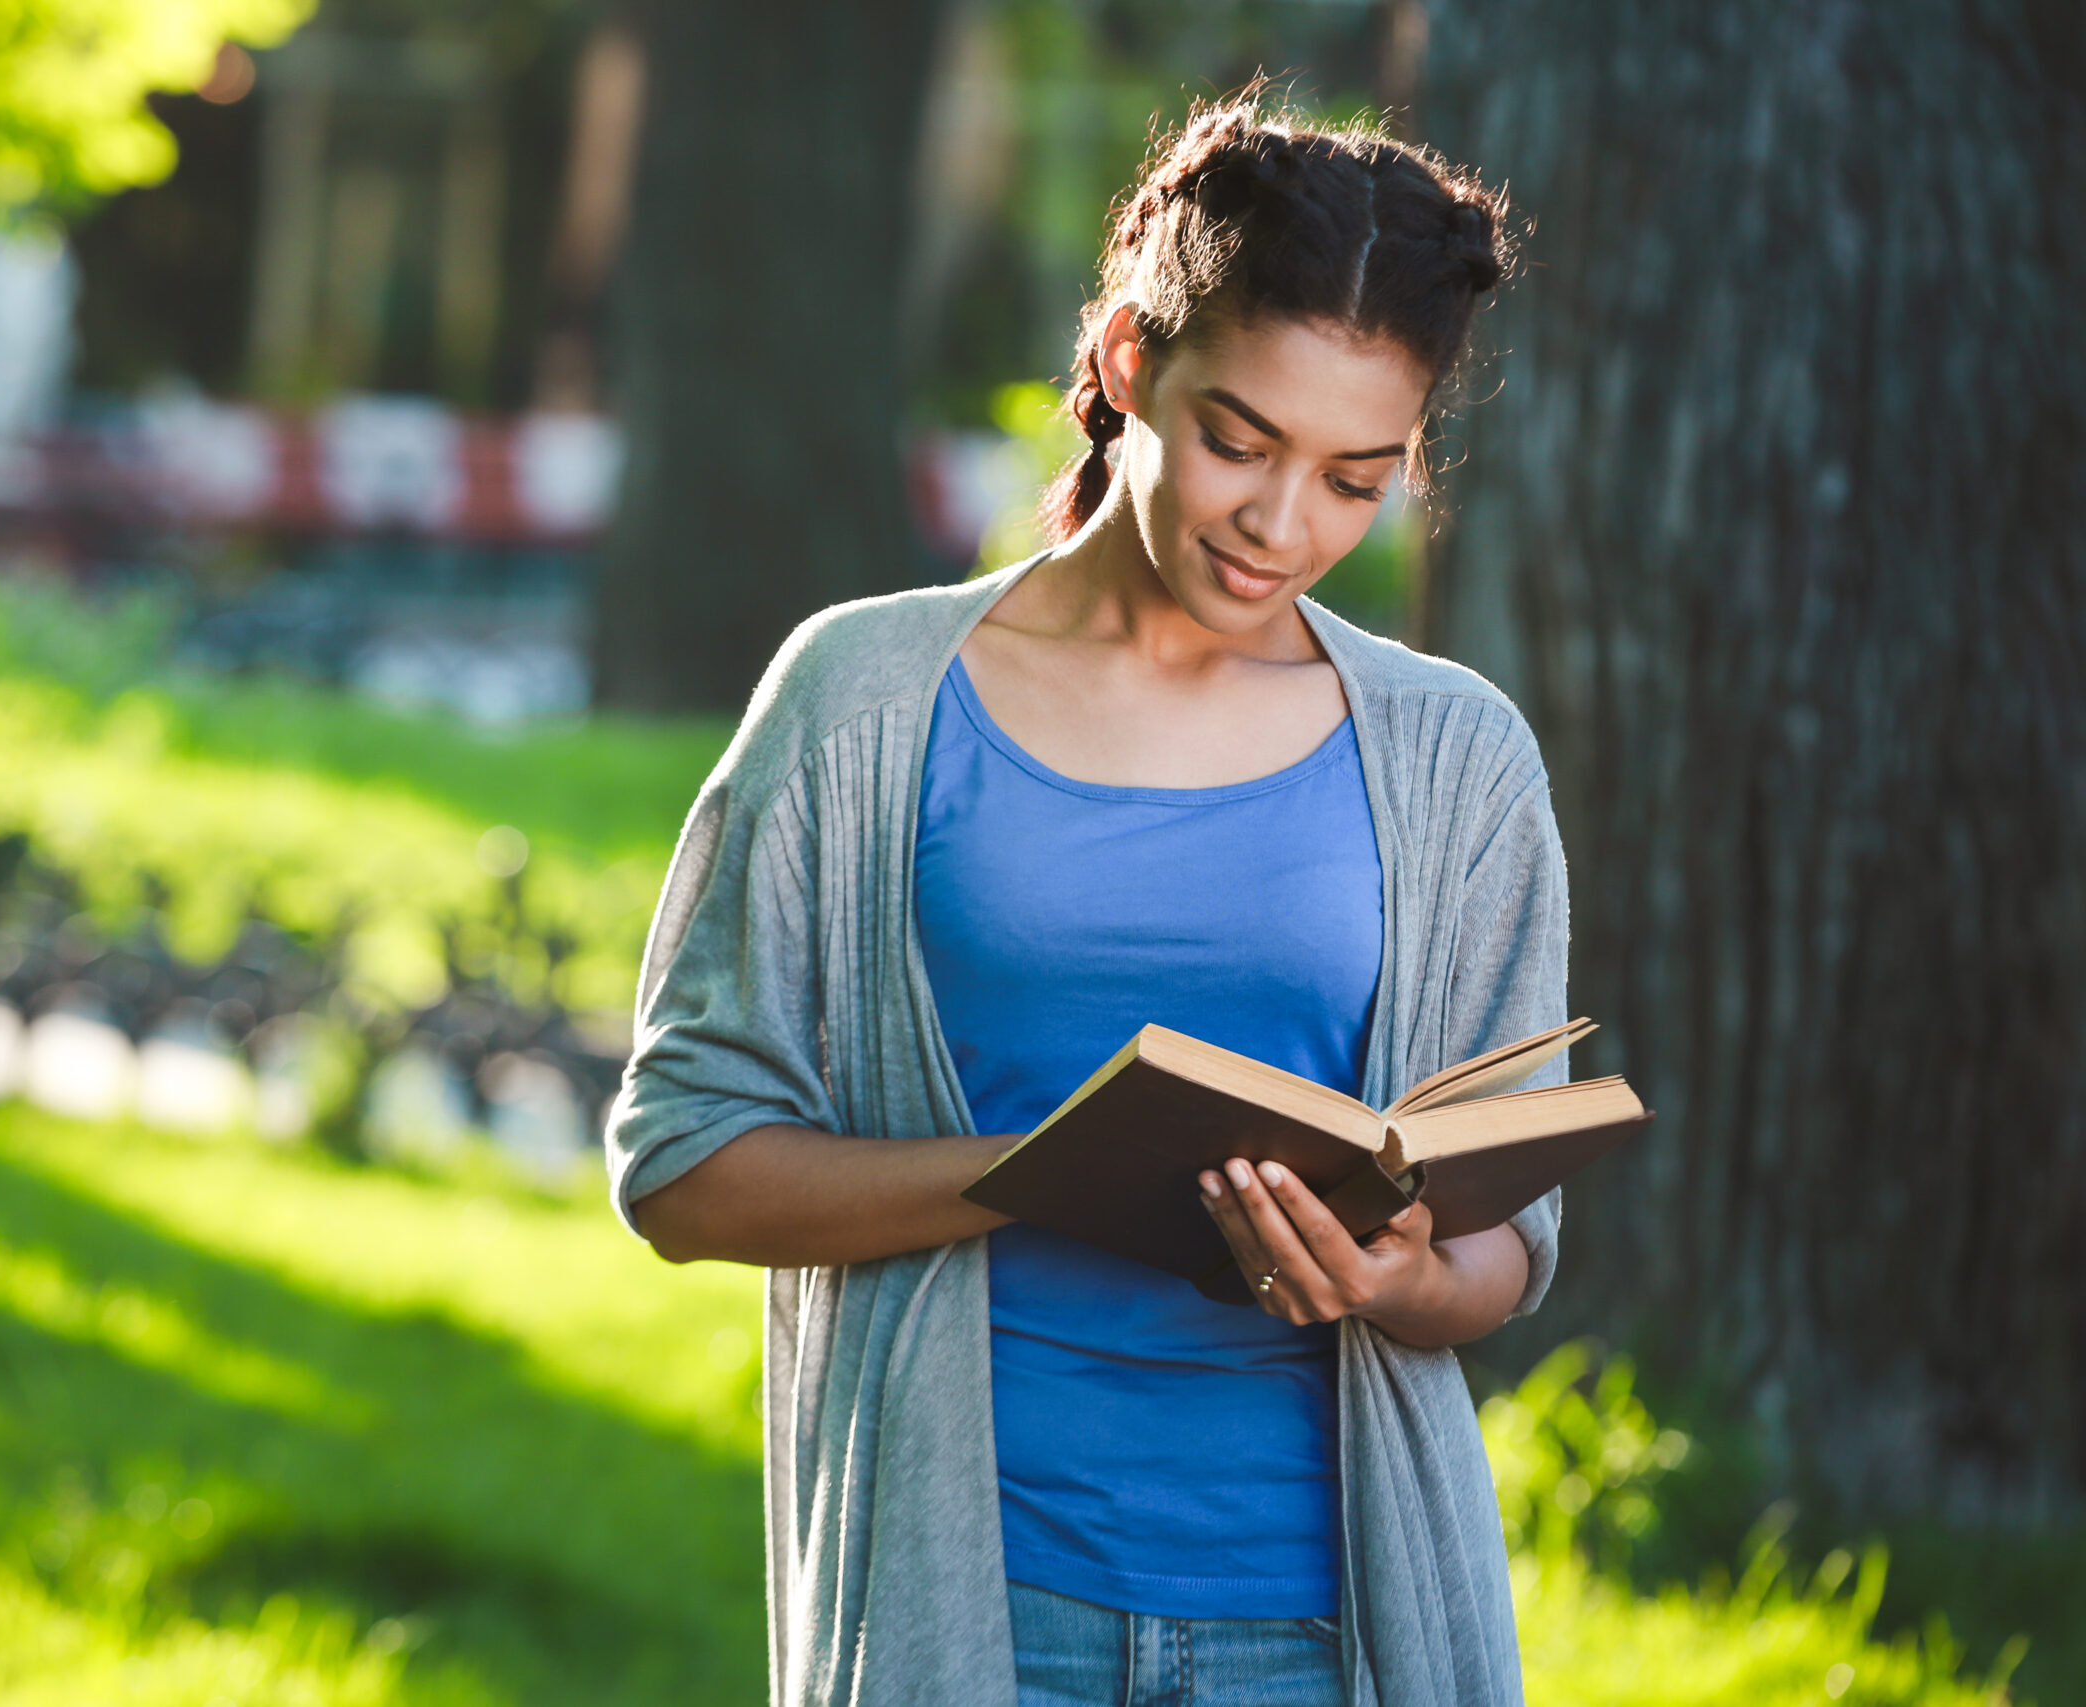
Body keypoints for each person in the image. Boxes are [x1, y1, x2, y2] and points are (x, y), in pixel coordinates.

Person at [607, 90, 1563, 1707]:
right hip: (977, 1602)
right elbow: (685, 1164)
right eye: (1238, 441)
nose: (1280, 527)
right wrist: (1043, 1173)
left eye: (1355, 479)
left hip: (1328, 1626)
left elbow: (1507, 1243)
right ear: (1129, 363)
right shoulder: (864, 700)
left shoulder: (1455, 758)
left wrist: (1397, 1279)